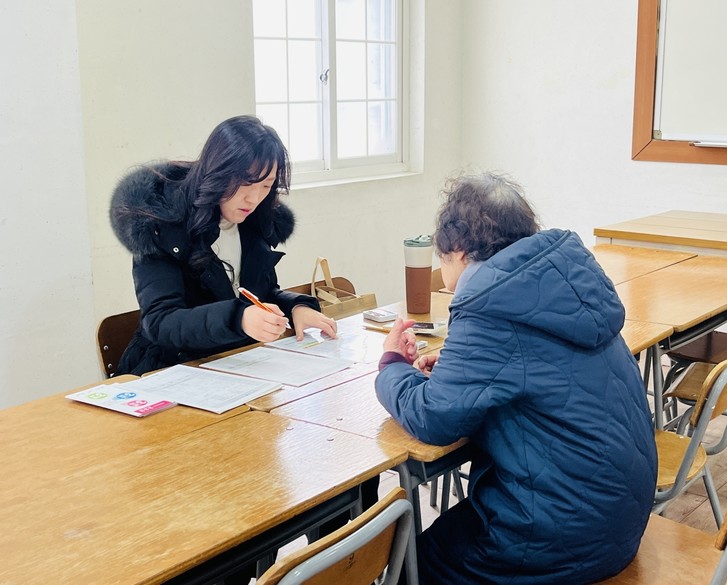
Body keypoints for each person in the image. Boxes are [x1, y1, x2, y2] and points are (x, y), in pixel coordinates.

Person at [375, 172, 658, 584]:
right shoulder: (563, 281)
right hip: (618, 515)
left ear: (458, 250)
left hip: (563, 535)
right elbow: (531, 368)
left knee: (411, 562)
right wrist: (459, 368)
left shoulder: (486, 301)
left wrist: (391, 366)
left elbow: (434, 419)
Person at [110, 115, 337, 376]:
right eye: (245, 183)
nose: (254, 198)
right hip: (168, 371)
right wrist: (238, 318)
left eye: (266, 185)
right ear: (218, 172)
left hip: (231, 366)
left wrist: (296, 307)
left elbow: (260, 295)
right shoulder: (160, 225)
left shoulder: (254, 223)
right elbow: (161, 322)